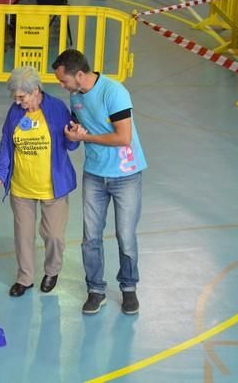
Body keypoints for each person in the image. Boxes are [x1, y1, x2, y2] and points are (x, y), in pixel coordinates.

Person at [52, 49, 147, 315]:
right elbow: (80, 126)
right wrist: (74, 132)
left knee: (125, 235)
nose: (62, 86)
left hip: (125, 174)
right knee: (90, 237)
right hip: (94, 174)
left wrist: (86, 139)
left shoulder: (114, 92)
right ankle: (96, 289)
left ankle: (129, 288)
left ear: (80, 75)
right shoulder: (76, 97)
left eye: (64, 80)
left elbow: (123, 137)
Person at [0, 66, 81, 297]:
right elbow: (6, 145)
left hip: (53, 187)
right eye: (15, 98)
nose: (19, 102)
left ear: (36, 91)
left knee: (54, 236)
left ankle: (52, 270)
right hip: (22, 187)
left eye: (22, 97)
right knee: (23, 236)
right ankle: (25, 277)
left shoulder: (57, 108)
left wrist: (74, 136)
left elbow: (71, 143)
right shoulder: (15, 113)